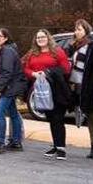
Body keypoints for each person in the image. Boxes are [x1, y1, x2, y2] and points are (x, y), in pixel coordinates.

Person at [23, 29, 71, 159]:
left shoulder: (57, 51)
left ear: (48, 38)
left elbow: (66, 68)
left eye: (43, 37)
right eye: (38, 38)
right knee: (50, 117)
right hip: (40, 90)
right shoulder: (32, 53)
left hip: (56, 89)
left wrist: (48, 72)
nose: (40, 39)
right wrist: (33, 74)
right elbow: (25, 67)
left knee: (58, 118)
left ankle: (61, 148)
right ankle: (56, 146)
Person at [64, 19, 93, 159]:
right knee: (88, 115)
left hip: (90, 86)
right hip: (78, 85)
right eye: (76, 29)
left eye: (80, 29)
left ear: (86, 31)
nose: (77, 32)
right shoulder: (75, 46)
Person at [0, 28, 27, 155]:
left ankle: (0, 143)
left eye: (0, 36)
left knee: (0, 113)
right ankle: (16, 141)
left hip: (9, 87)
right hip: (11, 86)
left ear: (6, 38)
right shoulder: (3, 50)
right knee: (13, 113)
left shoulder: (7, 51)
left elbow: (7, 72)